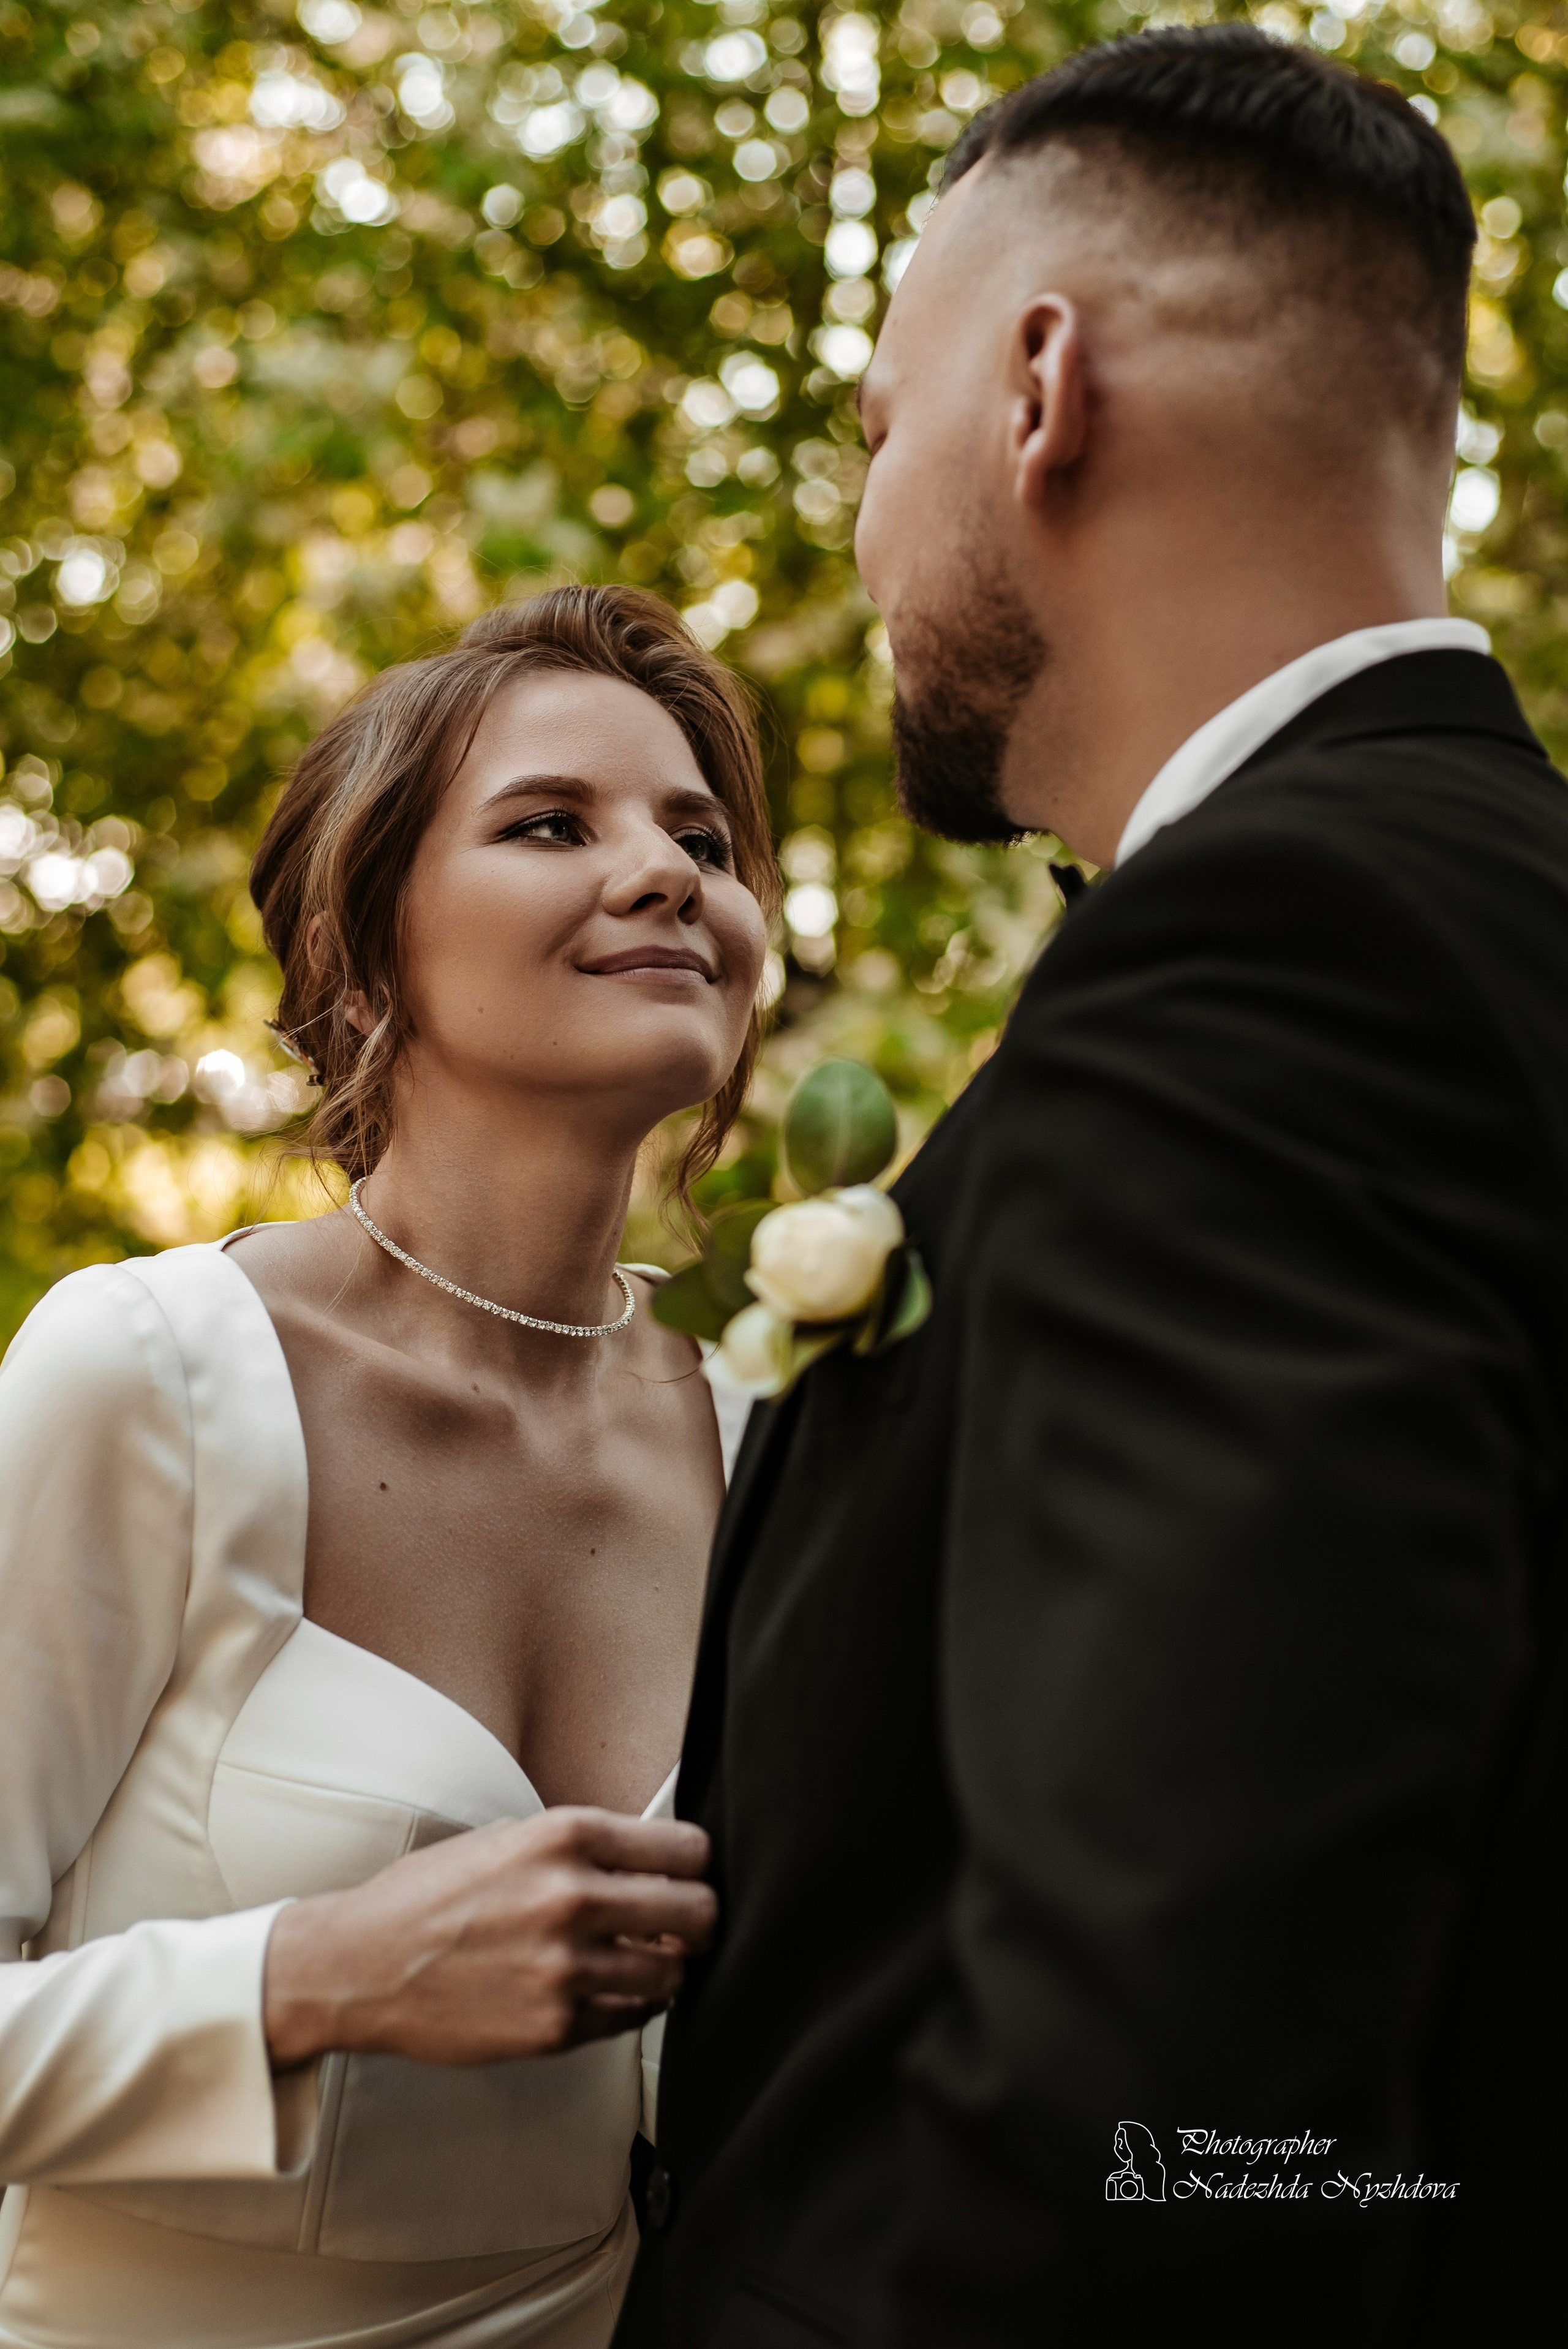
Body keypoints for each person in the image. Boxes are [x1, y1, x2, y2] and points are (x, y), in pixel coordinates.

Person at [617, 28, 1568, 2347]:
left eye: (869, 433)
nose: (858, 530)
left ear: (1040, 387)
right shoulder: (1496, 912)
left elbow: (1192, 2057)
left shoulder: (1267, 964)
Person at [0, 586, 775, 2349]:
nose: (667, 873)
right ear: (364, 954)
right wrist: (317, 1976)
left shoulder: (765, 1435)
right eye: (551, 823)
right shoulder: (156, 1373)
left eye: (701, 835)